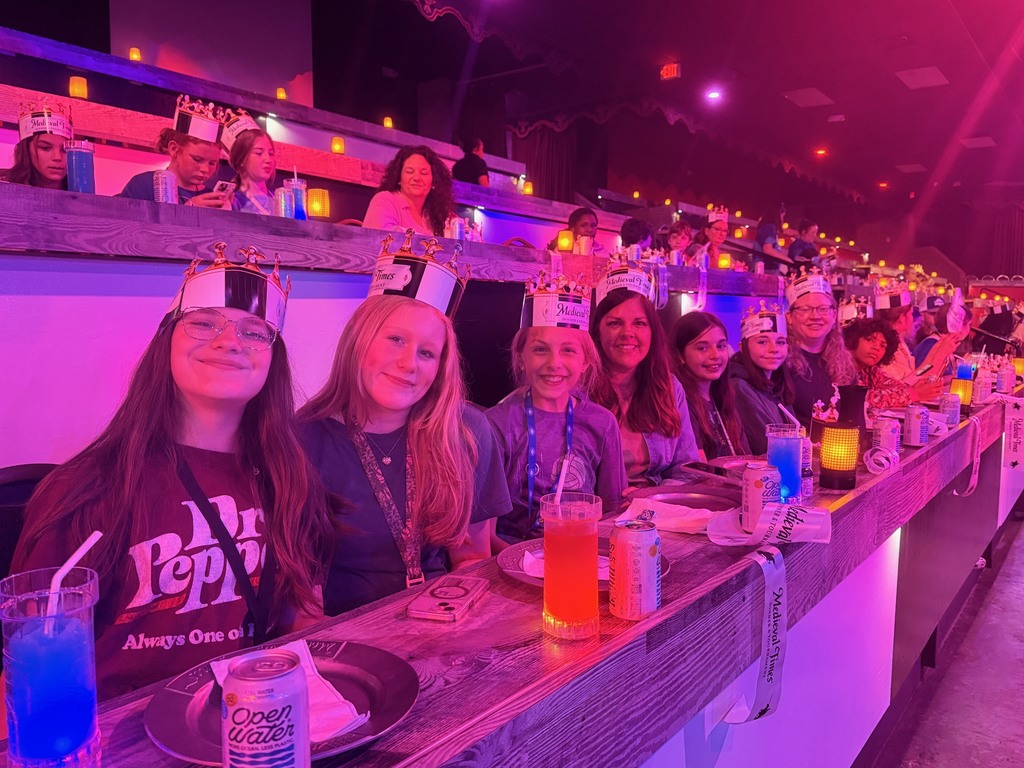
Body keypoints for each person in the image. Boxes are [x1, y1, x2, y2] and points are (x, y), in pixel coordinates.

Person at [12, 244, 334, 700]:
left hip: (254, 721)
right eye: (204, 323)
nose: (229, 341)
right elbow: (29, 668)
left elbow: (306, 616)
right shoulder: (85, 490)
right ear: (167, 341)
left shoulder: (291, 478)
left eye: (254, 332)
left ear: (272, 359)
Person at [298, 234, 510, 615]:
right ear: (357, 341)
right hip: (344, 637)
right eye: (395, 339)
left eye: (427, 352)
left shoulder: (469, 433)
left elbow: (471, 558)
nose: (409, 364)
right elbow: (300, 602)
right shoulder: (303, 439)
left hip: (443, 626)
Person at [487, 271, 626, 541]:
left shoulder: (602, 423)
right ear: (521, 357)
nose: (554, 363)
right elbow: (485, 534)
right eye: (540, 349)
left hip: (580, 553)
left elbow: (611, 514)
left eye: (568, 350)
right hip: (510, 560)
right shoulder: (497, 425)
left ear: (585, 361)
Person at [589, 260, 699, 488]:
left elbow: (686, 469)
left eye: (639, 323)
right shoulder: (578, 389)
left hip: (659, 511)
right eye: (614, 323)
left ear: (653, 331)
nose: (627, 333)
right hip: (598, 512)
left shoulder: (669, 386)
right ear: (598, 331)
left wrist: (653, 502)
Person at [119, 95, 229, 208]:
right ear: (174, 149)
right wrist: (188, 212)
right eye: (197, 159)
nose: (205, 169)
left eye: (212, 163)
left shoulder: (211, 199)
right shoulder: (144, 185)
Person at [671, 311, 749, 460]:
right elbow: (697, 466)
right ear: (680, 355)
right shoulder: (680, 400)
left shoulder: (722, 396)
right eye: (702, 348)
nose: (715, 355)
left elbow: (746, 457)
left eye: (721, 346)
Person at [784, 270, 857, 426]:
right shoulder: (779, 362)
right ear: (789, 317)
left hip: (840, 447)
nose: (815, 316)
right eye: (805, 309)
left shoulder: (845, 363)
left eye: (823, 309)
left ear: (833, 315)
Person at [729, 303, 795, 455]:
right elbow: (767, 446)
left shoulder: (778, 384)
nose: (773, 349)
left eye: (780, 342)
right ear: (742, 347)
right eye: (762, 342)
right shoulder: (739, 386)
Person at [844, 318, 942, 409]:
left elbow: (894, 385)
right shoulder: (842, 367)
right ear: (853, 339)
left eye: (883, 346)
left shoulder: (869, 370)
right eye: (869, 339)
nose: (876, 348)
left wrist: (916, 388)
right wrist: (914, 393)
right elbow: (866, 400)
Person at [362, 145, 454, 237]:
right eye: (409, 172)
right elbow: (383, 241)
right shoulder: (384, 200)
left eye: (423, 173)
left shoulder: (438, 212)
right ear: (398, 178)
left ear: (434, 181)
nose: (417, 178)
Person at [1, 104, 71, 188]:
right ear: (26, 150)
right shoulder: (5, 188)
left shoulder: (82, 192)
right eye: (45, 148)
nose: (57, 157)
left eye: (64, 149)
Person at [222, 110, 276, 215]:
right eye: (259, 153)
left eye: (271, 153)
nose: (268, 159)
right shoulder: (232, 202)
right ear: (242, 159)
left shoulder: (281, 201)